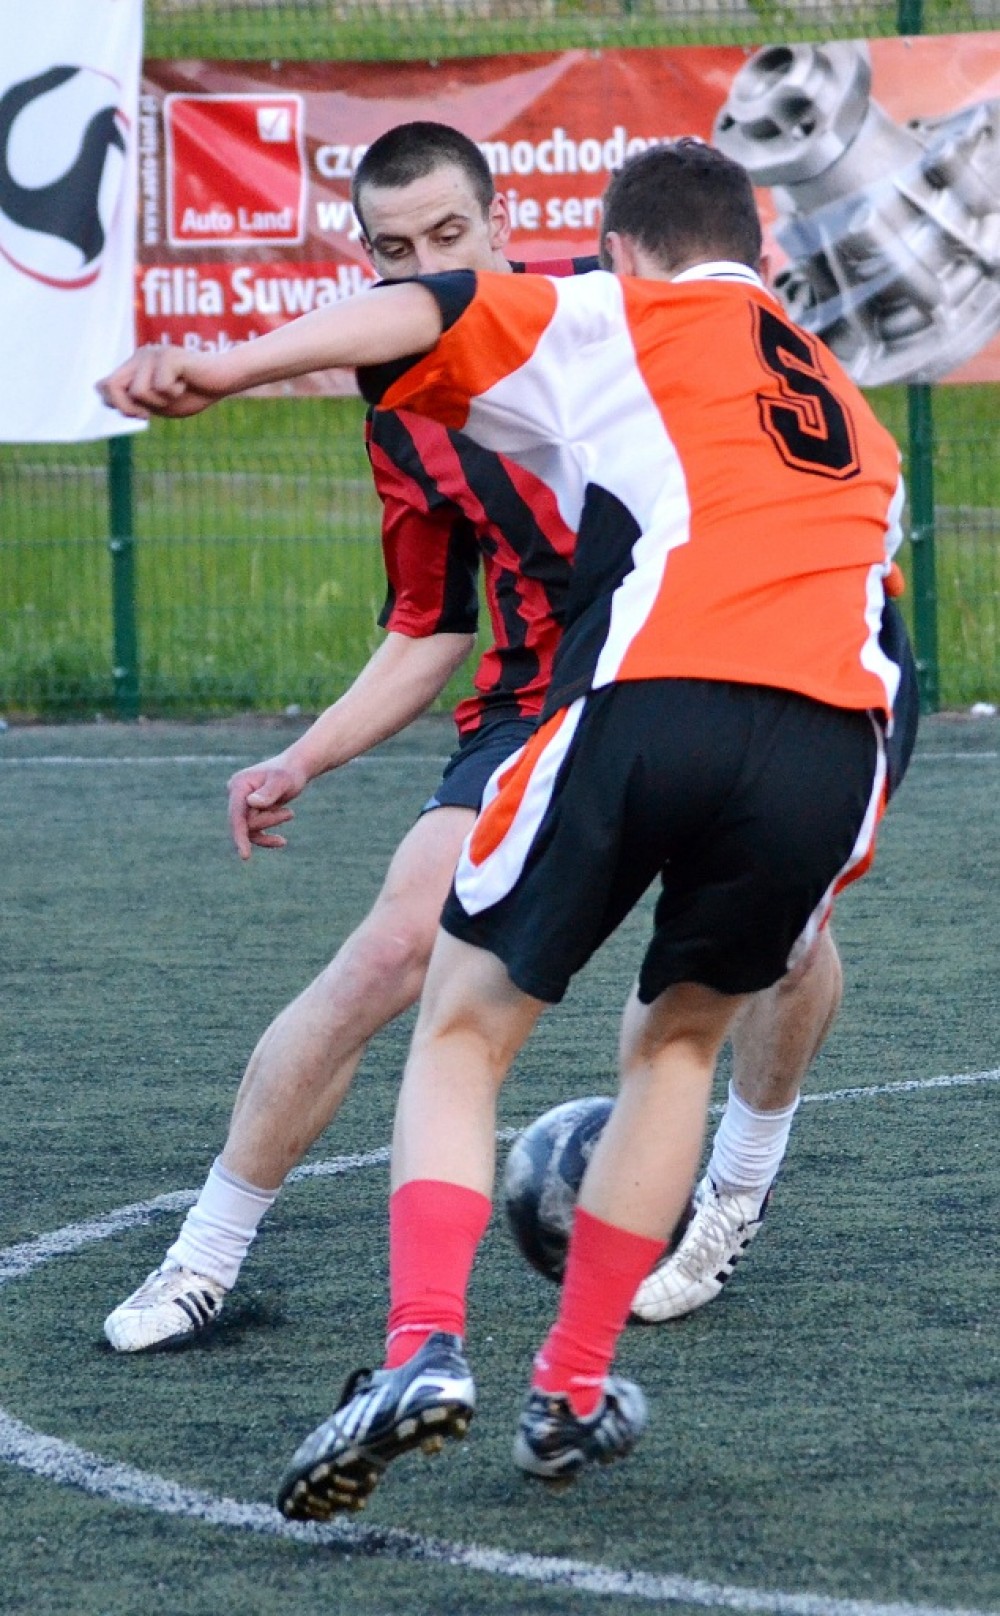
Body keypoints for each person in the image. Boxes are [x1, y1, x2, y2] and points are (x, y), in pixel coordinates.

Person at [100, 140, 908, 1510]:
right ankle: (480, 1354)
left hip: (651, 682)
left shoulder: (607, 311)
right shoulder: (831, 393)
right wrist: (309, 752)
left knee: (502, 1019)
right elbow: (434, 620)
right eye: (395, 245)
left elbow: (441, 315)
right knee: (575, 1006)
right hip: (775, 718)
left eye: (448, 236)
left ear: (572, 238)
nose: (426, 265)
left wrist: (223, 367)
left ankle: (477, 1322)